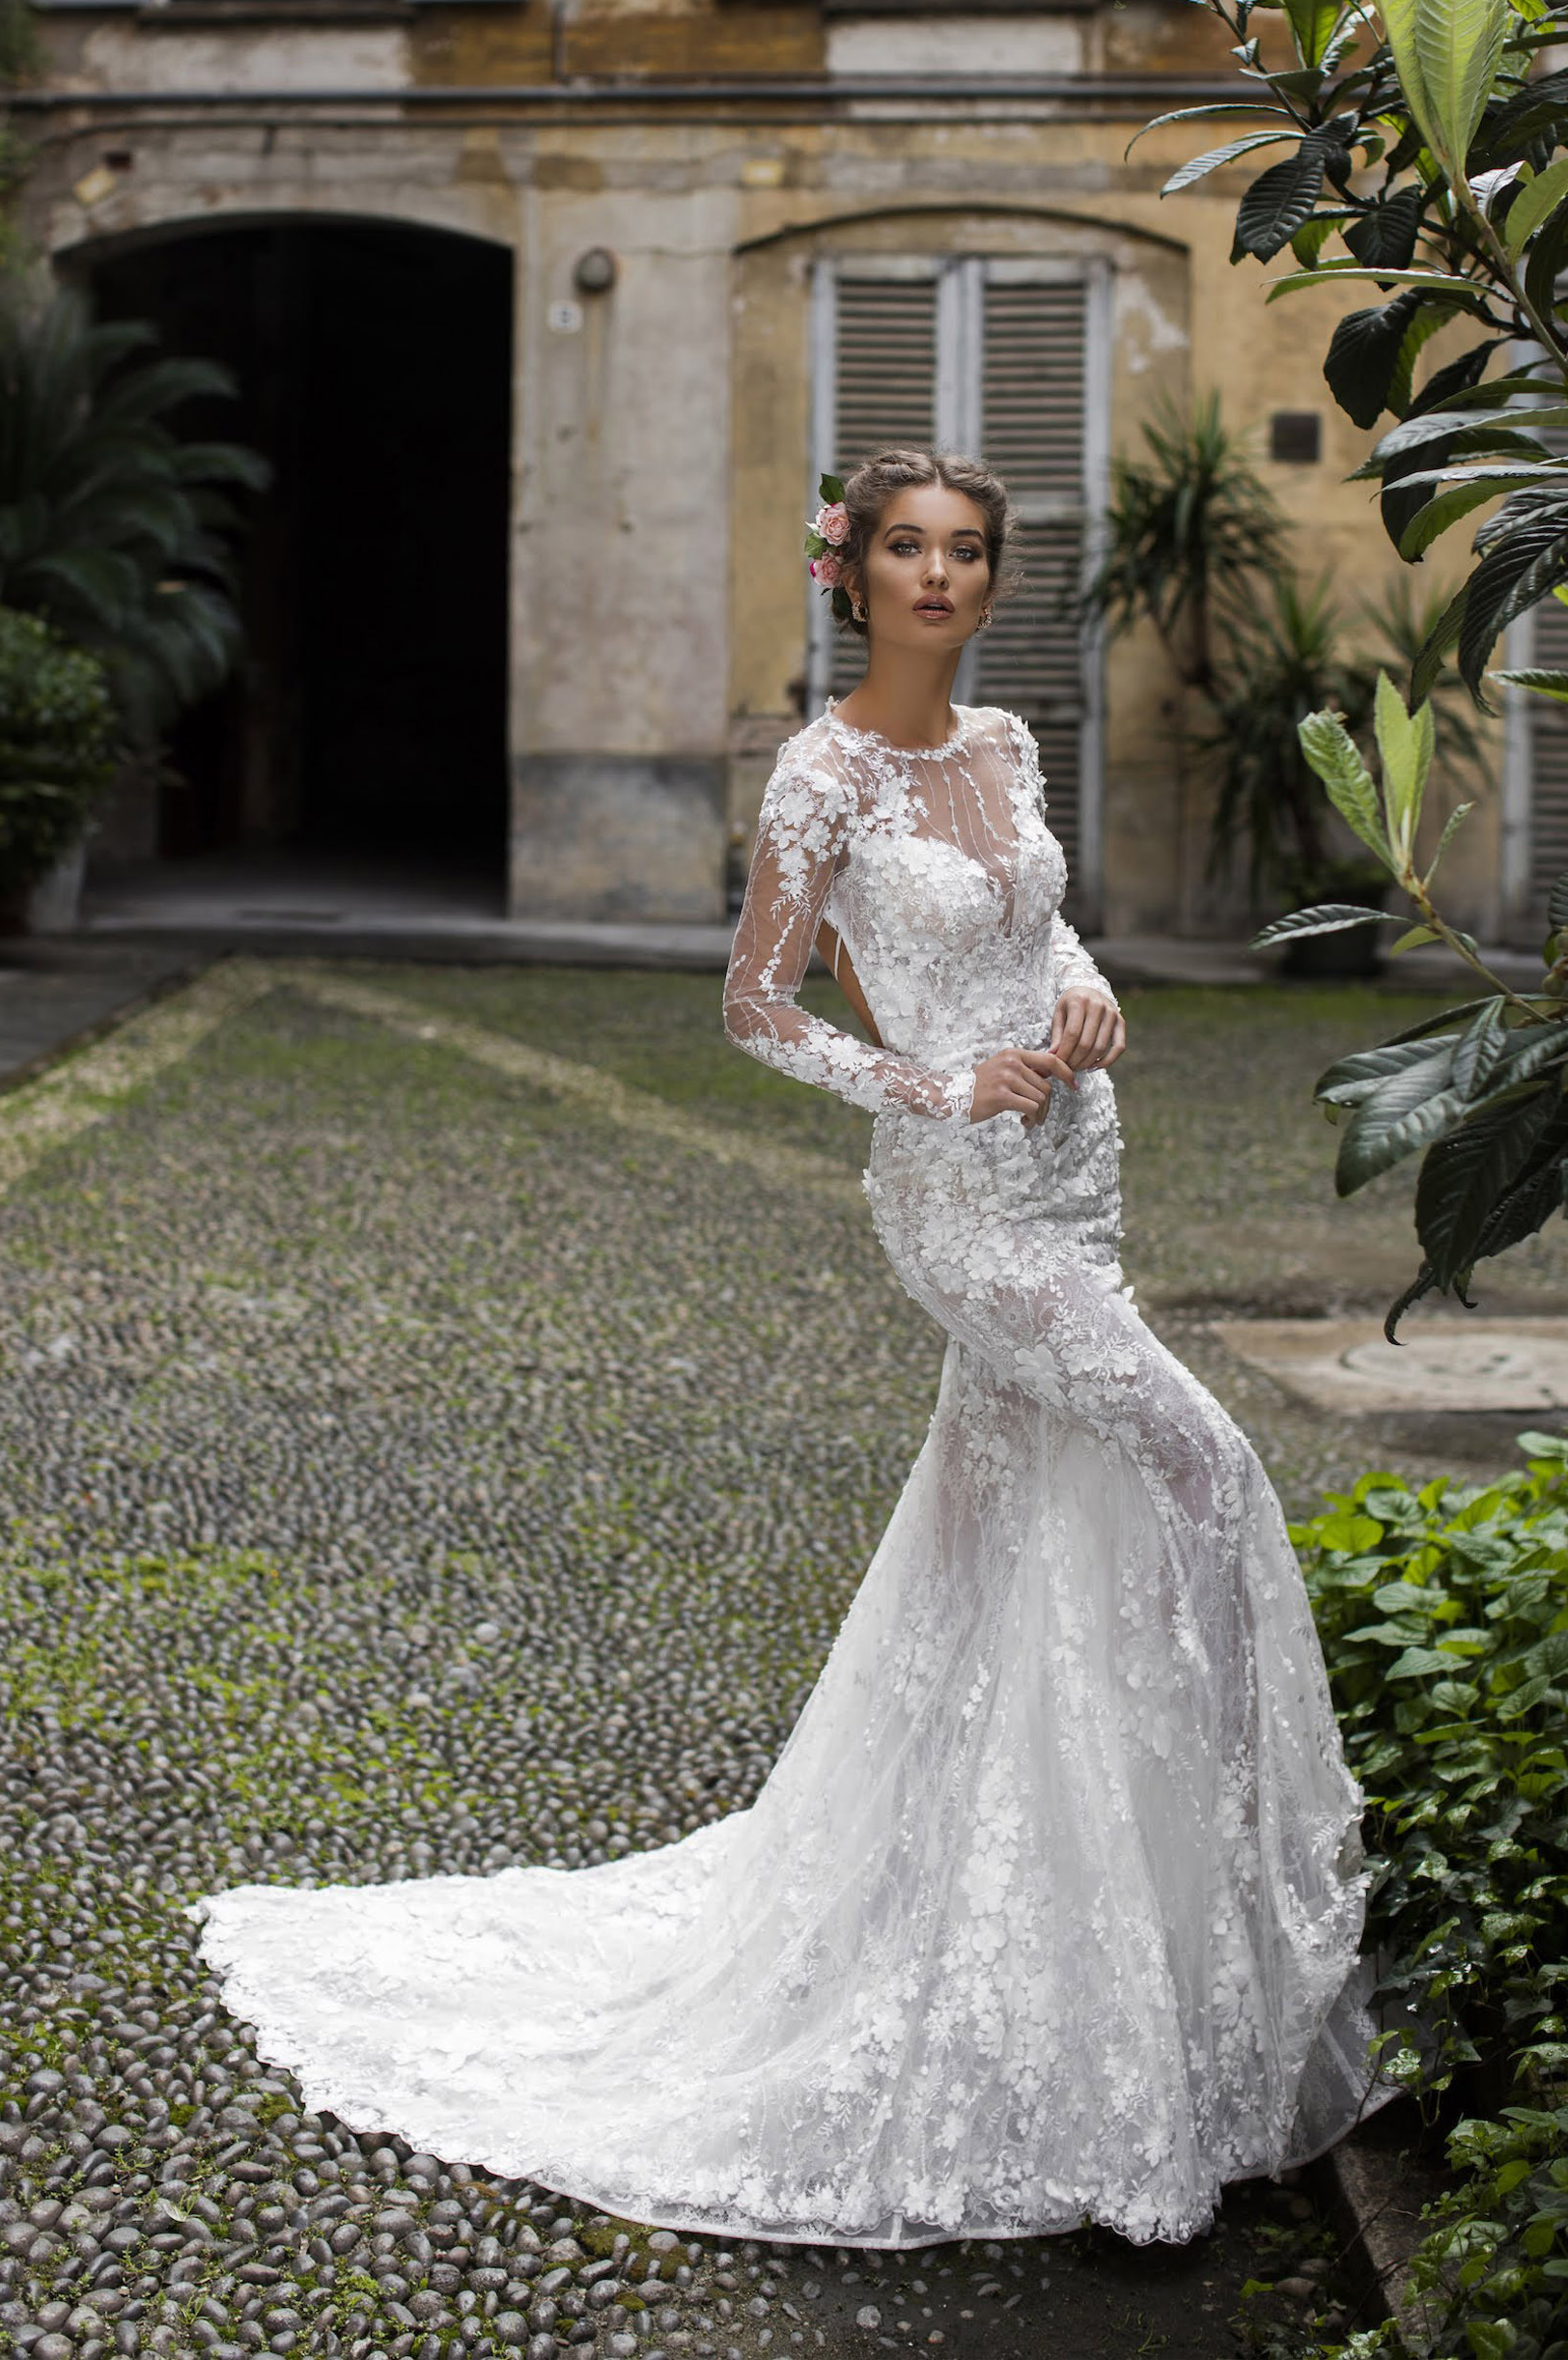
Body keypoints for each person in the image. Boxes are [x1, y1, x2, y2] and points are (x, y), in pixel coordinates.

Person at [195, 446, 1384, 2249]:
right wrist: (927, 1077)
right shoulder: (821, 774)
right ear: (854, 571)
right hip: (962, 1206)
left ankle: (993, 1914)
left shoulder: (1006, 746)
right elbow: (755, 1002)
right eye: (906, 547)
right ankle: (1250, 1888)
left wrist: (1089, 988)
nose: (938, 576)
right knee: (1201, 1465)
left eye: (967, 552)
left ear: (993, 581)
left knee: (998, 1544)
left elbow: (1040, 919)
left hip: (1076, 1170)